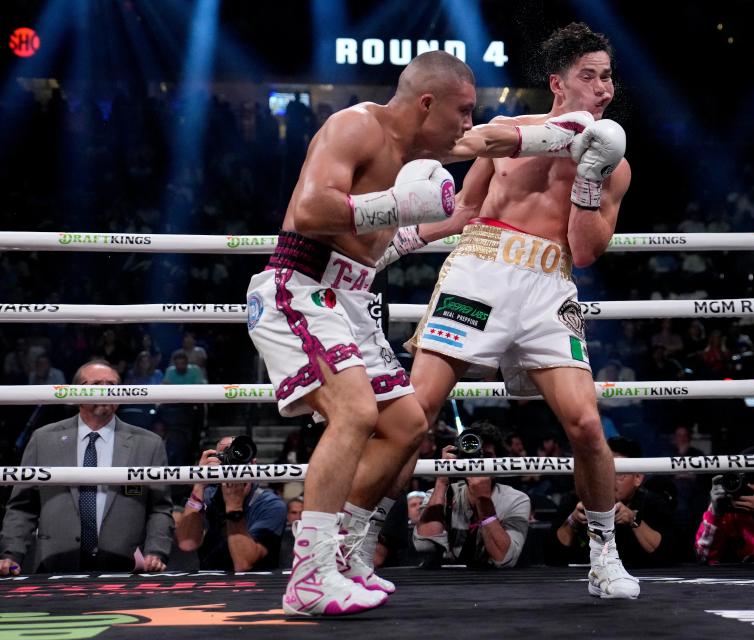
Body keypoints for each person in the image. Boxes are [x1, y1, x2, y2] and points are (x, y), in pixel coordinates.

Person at [245, 50, 595, 615]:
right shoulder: (355, 125)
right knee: (356, 413)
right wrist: (396, 206)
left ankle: (346, 555)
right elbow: (310, 212)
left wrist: (566, 132)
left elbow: (485, 142)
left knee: (407, 423)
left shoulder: (425, 147)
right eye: (461, 111)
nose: (466, 122)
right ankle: (308, 575)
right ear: (426, 103)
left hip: (352, 296)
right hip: (301, 285)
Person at [399, 22, 636, 598]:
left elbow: (583, 251)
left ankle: (603, 554)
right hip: (481, 264)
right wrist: (395, 240)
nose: (603, 89)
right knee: (415, 413)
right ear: (558, 83)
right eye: (590, 76)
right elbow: (465, 206)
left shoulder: (615, 164)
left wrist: (586, 178)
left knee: (584, 422)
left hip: (548, 280)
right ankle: (352, 541)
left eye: (608, 77)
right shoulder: (511, 131)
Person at [0, 360, 173, 574]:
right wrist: (11, 555)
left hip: (124, 565)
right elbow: (22, 506)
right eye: (97, 384)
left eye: (112, 385)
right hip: (56, 563)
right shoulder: (44, 439)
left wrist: (156, 551)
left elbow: (160, 508)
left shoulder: (148, 443)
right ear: (76, 393)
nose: (106, 391)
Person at [413, 422, 531, 568]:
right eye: (473, 456)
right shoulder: (437, 494)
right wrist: (442, 480)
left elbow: (505, 559)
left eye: (486, 457)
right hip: (442, 583)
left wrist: (483, 501)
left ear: (499, 460)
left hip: (495, 585)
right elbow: (424, 547)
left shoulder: (516, 500)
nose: (478, 464)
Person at [551, 437, 676, 567]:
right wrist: (573, 521)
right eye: (604, 472)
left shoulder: (653, 504)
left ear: (637, 478)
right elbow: (551, 557)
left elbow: (669, 555)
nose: (609, 480)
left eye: (619, 473)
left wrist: (634, 520)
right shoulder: (577, 501)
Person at [175, 436, 287, 571]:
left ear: (253, 464)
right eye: (224, 456)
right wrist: (199, 484)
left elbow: (243, 564)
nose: (232, 465)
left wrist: (234, 508)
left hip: (257, 586)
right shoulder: (207, 495)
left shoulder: (270, 505)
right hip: (210, 582)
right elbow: (187, 544)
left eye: (240, 457)